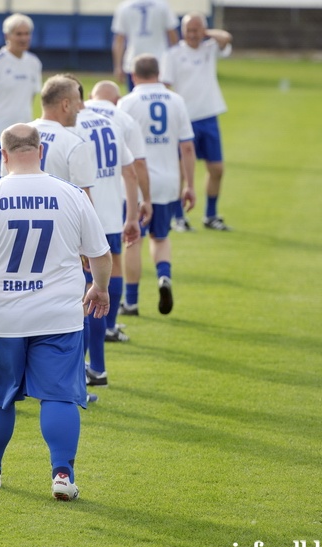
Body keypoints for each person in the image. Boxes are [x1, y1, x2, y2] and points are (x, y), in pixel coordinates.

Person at [0, 123, 112, 501]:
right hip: (59, 316)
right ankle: (62, 475)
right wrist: (101, 287)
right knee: (60, 396)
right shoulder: (72, 195)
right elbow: (100, 253)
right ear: (40, 150)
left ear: (3, 155)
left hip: (1, 317)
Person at [73, 80, 140, 388]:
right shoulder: (110, 122)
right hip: (112, 214)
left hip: (86, 217)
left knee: (84, 293)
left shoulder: (71, 128)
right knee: (104, 282)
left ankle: (80, 367)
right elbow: (130, 170)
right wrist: (132, 214)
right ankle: (97, 366)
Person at [118, 54, 195, 315]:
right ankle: (164, 276)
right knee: (160, 237)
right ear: (159, 74)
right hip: (168, 181)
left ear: (133, 75)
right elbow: (186, 146)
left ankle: (131, 301)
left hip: (137, 183)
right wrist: (190, 185)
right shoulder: (176, 101)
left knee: (132, 240)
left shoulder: (127, 102)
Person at [86, 80, 152, 317]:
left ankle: (81, 339)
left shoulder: (76, 116)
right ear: (116, 100)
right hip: (112, 206)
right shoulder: (122, 119)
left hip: (80, 204)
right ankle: (111, 324)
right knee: (114, 260)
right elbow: (136, 166)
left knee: (82, 272)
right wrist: (144, 201)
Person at [162, 13, 233, 231]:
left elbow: (226, 38)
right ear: (183, 31)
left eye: (197, 30)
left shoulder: (209, 49)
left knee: (217, 169)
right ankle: (178, 216)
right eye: (189, 30)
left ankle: (210, 215)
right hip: (185, 120)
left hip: (209, 116)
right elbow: (166, 86)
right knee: (182, 170)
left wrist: (206, 33)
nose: (193, 35)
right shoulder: (173, 54)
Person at [0, 13, 42, 183]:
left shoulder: (34, 63)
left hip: (26, 136)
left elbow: (31, 97)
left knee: (26, 184)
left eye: (27, 33)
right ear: (7, 36)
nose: (24, 38)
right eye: (19, 34)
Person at [111, 0, 178, 91]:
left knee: (135, 99)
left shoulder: (124, 7)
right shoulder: (163, 5)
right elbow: (173, 35)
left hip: (134, 61)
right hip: (159, 61)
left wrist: (118, 66)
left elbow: (119, 40)